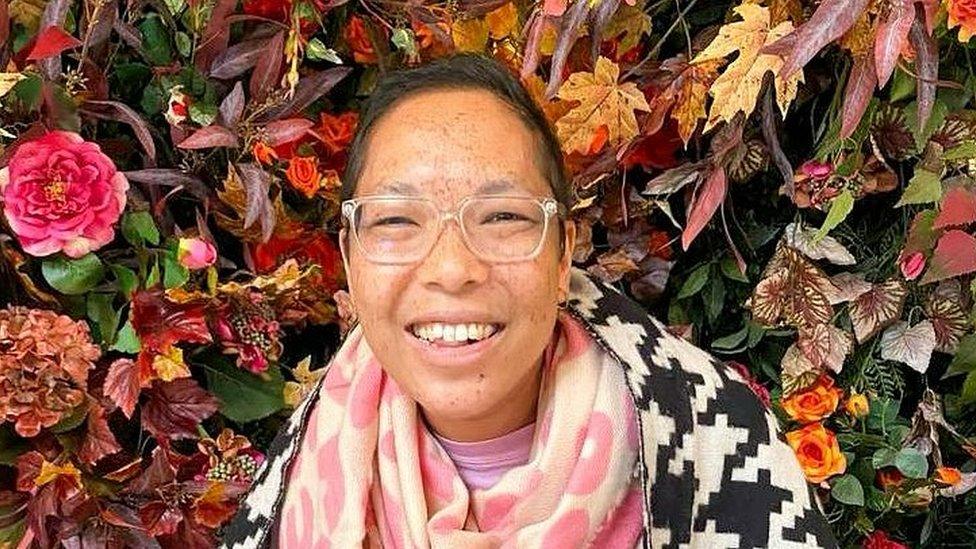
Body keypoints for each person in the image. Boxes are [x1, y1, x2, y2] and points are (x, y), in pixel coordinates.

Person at [221, 52, 837, 548]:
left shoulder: (715, 448)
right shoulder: (304, 472)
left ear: (563, 252)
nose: (453, 268)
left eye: (503, 216)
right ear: (351, 257)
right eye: (397, 221)